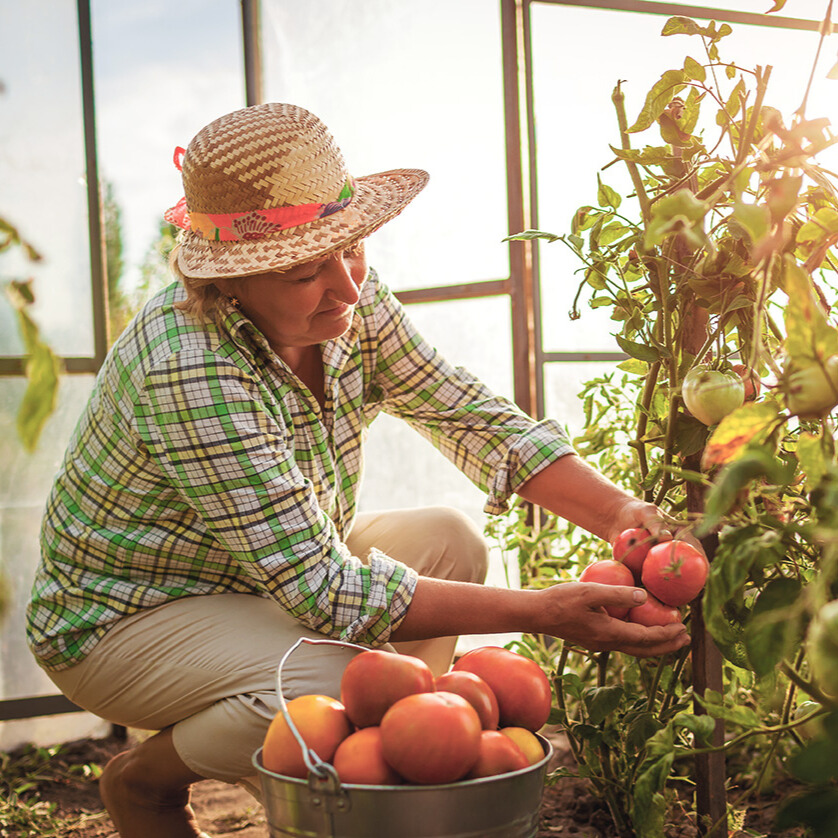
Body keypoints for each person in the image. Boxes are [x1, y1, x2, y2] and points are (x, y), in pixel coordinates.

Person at [27, 103, 690, 838]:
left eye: (354, 250)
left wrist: (618, 517)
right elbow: (324, 589)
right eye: (308, 270)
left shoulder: (348, 296)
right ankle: (148, 781)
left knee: (450, 540)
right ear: (232, 280)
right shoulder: (188, 361)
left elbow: (466, 412)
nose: (347, 287)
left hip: (256, 576)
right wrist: (545, 614)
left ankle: (371, 773)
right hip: (128, 618)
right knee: (332, 680)